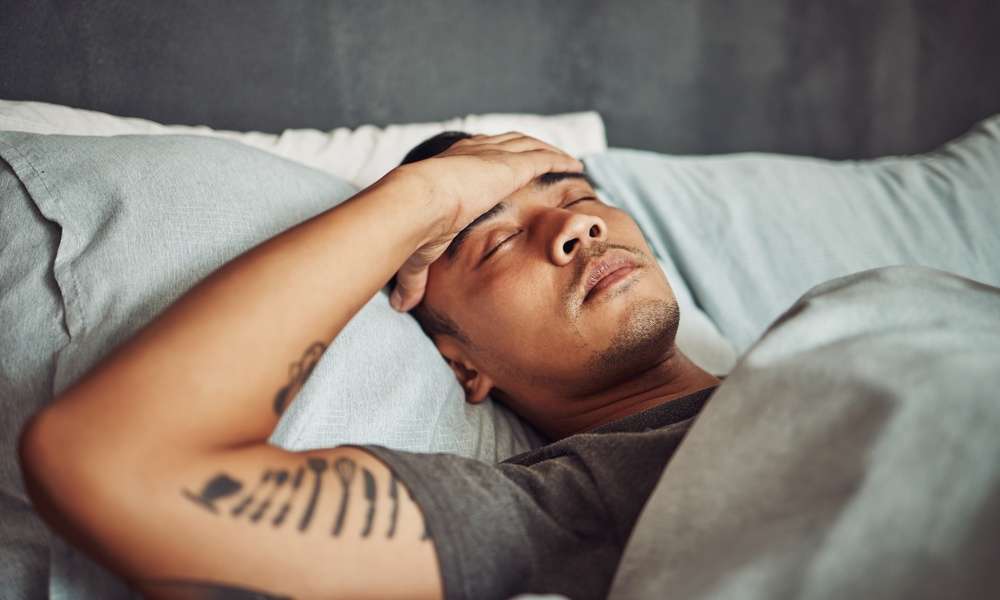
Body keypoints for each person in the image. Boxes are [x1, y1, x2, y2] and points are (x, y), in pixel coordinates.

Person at [19, 132, 721, 600]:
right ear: (463, 365)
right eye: (497, 241)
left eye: (577, 197)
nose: (576, 227)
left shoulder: (805, 327)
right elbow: (113, 463)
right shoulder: (560, 513)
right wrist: (422, 200)